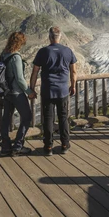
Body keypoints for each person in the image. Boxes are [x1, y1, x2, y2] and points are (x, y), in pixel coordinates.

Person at [30, 26, 77, 156]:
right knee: (63, 118)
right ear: (60, 36)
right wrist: (73, 86)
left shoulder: (43, 52)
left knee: (48, 119)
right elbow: (73, 72)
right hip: (62, 91)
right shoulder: (68, 51)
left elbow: (35, 72)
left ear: (49, 37)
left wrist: (32, 88)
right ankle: (64, 145)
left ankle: (48, 146)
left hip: (47, 90)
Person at [0, 32, 36, 157]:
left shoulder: (3, 55)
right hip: (16, 93)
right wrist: (29, 92)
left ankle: (5, 147)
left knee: (6, 120)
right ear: (20, 43)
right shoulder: (16, 57)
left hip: (6, 92)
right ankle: (18, 146)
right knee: (26, 117)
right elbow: (20, 78)